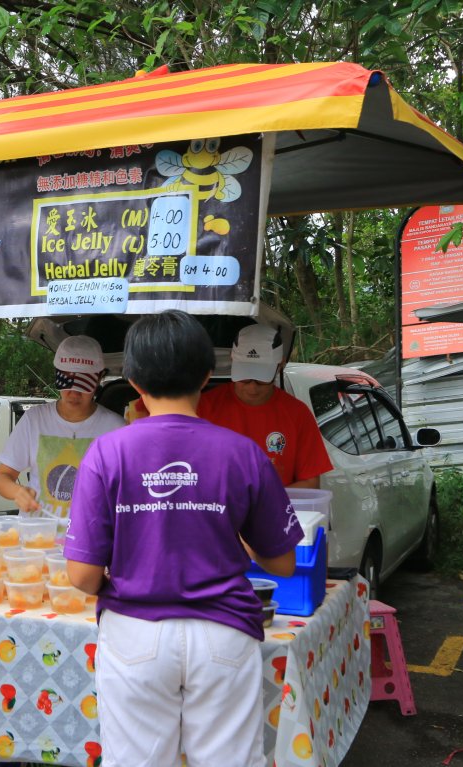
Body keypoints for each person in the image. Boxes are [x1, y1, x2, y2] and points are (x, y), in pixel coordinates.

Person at [64, 310, 302, 767]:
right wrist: (229, 528)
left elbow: (83, 576)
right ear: (210, 375)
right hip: (225, 634)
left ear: (131, 379)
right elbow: (283, 564)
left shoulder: (106, 452)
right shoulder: (242, 453)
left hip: (135, 634)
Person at [0, 335, 125, 518]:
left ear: (99, 378)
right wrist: (18, 492)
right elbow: (2, 477)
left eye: (83, 384)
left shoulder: (116, 428)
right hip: (38, 537)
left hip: (89, 537)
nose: (73, 393)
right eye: (67, 381)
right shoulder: (35, 419)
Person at [198, 321, 333, 488]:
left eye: (262, 380)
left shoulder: (297, 414)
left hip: (275, 511)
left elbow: (311, 483)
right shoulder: (203, 407)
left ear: (280, 365)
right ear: (232, 360)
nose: (252, 388)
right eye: (245, 378)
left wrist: (266, 500)